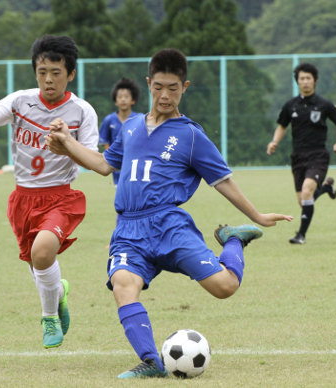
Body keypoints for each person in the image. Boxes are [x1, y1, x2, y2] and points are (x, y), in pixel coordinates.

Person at [46, 48, 292, 379]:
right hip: (128, 229)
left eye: (173, 88)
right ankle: (151, 361)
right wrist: (66, 142)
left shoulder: (190, 135)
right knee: (123, 283)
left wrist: (259, 215)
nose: (165, 95)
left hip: (168, 225)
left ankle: (233, 240)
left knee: (225, 287)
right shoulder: (130, 126)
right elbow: (104, 165)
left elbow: (223, 181)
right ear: (148, 83)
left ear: (185, 87)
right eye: (159, 86)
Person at [0, 35, 98, 349]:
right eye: (42, 72)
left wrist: (66, 147)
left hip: (61, 198)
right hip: (23, 199)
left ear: (71, 74)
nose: (48, 79)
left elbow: (92, 159)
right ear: (35, 71)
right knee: (39, 263)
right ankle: (59, 293)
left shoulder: (82, 112)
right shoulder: (21, 101)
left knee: (42, 252)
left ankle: (48, 317)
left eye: (56, 72)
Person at [267, 62, 336, 244]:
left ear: (315, 81)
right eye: (302, 78)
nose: (305, 82)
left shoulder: (324, 104)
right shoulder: (290, 105)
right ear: (297, 81)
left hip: (318, 155)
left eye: (308, 78)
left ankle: (300, 235)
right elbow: (282, 126)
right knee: (303, 201)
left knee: (308, 191)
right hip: (298, 157)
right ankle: (326, 188)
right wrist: (274, 142)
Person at [99, 77, 140, 186]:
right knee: (120, 192)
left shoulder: (138, 119)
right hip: (117, 166)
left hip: (134, 164)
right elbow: (105, 141)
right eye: (120, 97)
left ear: (133, 100)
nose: (123, 99)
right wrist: (113, 157)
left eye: (126, 97)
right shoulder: (109, 120)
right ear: (115, 101)